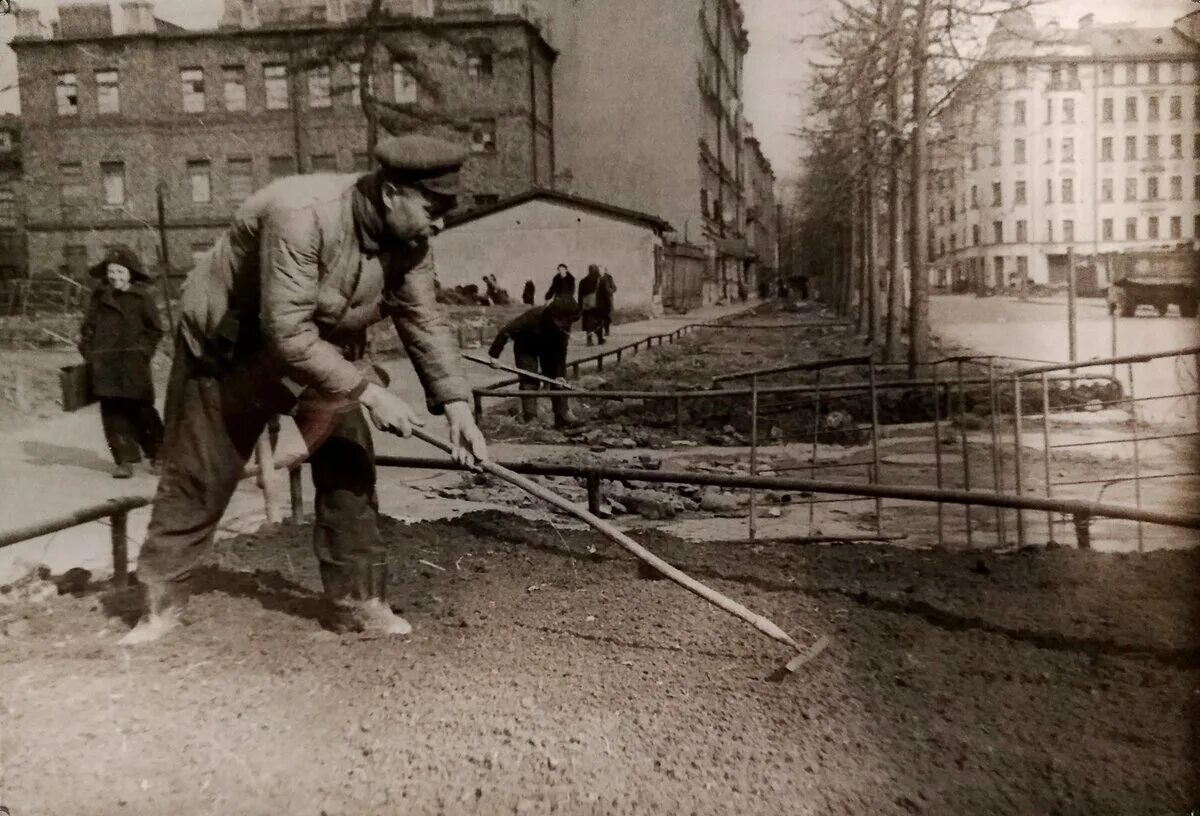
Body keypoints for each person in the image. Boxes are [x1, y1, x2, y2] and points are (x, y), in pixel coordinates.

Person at [119, 134, 490, 646]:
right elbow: (286, 331)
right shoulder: (302, 212)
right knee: (201, 473)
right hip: (229, 350)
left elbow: (422, 316)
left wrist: (458, 407)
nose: (440, 223)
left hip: (315, 348)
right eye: (433, 208)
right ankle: (159, 604)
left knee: (349, 460)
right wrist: (372, 393)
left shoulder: (412, 240)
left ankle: (359, 602)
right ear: (390, 194)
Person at [79, 244, 165, 479]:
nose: (115, 277)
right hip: (105, 366)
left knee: (143, 410)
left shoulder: (141, 298)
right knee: (112, 413)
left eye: (120, 272)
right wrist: (89, 352)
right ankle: (123, 460)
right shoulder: (99, 297)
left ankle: (159, 454)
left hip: (133, 365)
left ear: (130, 275)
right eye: (112, 272)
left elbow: (155, 330)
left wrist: (143, 353)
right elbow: (88, 328)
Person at [487, 297, 579, 429]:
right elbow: (506, 331)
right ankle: (531, 417)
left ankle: (562, 415)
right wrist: (494, 356)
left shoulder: (564, 325)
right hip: (525, 347)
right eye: (561, 321)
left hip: (548, 348)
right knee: (529, 380)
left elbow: (561, 351)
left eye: (567, 322)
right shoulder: (533, 316)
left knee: (558, 381)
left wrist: (560, 374)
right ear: (554, 315)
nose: (564, 324)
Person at [578, 264, 604, 346]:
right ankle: (600, 339)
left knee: (588, 323)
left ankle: (589, 340)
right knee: (598, 322)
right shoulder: (600, 280)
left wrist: (580, 306)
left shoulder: (583, 281)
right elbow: (604, 295)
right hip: (597, 305)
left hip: (586, 305)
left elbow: (580, 295)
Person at [597, 267, 616, 342]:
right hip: (599, 300)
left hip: (607, 300)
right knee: (600, 316)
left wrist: (609, 291)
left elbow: (614, 287)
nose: (600, 271)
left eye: (601, 270)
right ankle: (600, 332)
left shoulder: (609, 278)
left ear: (604, 271)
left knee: (607, 316)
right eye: (599, 270)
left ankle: (607, 330)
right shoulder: (596, 278)